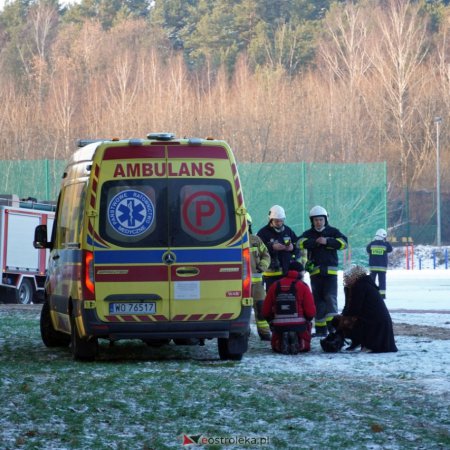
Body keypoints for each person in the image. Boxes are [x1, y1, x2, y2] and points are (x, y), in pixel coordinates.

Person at [297, 205, 348, 337]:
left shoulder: (333, 232)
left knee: (330, 299)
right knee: (318, 301)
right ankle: (320, 330)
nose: (318, 222)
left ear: (325, 219)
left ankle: (333, 328)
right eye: (315, 220)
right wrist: (315, 242)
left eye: (320, 219)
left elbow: (344, 243)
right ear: (312, 221)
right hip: (315, 273)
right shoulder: (309, 234)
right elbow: (299, 243)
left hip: (330, 273)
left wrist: (327, 241)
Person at [333, 265, 397, 353]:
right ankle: (357, 341)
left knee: (338, 321)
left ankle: (367, 344)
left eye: (347, 277)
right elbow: (349, 307)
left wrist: (342, 321)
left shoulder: (360, 286)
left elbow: (354, 309)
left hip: (373, 322)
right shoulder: (360, 285)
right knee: (338, 320)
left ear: (354, 276)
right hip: (376, 321)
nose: (345, 280)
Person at [262, 261, 316, 354]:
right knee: (304, 344)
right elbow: (310, 311)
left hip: (279, 325)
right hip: (299, 325)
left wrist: (270, 320)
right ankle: (298, 341)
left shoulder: (275, 285)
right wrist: (308, 319)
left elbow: (265, 310)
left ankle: (281, 341)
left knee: (276, 345)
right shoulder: (303, 286)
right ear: (299, 273)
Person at [257, 205, 299, 292]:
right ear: (270, 220)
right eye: (276, 221)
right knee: (272, 298)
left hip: (286, 272)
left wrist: (292, 248)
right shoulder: (263, 233)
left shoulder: (288, 231)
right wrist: (271, 247)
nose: (279, 223)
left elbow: (297, 245)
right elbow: (257, 250)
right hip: (270, 275)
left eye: (281, 221)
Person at [246, 213, 272, 341]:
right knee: (241, 309)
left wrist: (262, 266)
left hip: (257, 283)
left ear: (249, 225)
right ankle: (244, 332)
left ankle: (264, 332)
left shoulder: (256, 240)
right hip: (239, 284)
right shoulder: (231, 242)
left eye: (246, 224)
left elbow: (266, 255)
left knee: (261, 307)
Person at [366, 228, 393, 299]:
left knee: (372, 281)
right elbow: (390, 249)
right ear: (383, 236)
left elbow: (368, 250)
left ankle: (371, 294)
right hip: (382, 267)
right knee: (382, 281)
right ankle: (382, 295)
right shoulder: (385, 244)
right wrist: (386, 242)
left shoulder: (371, 244)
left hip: (373, 267)